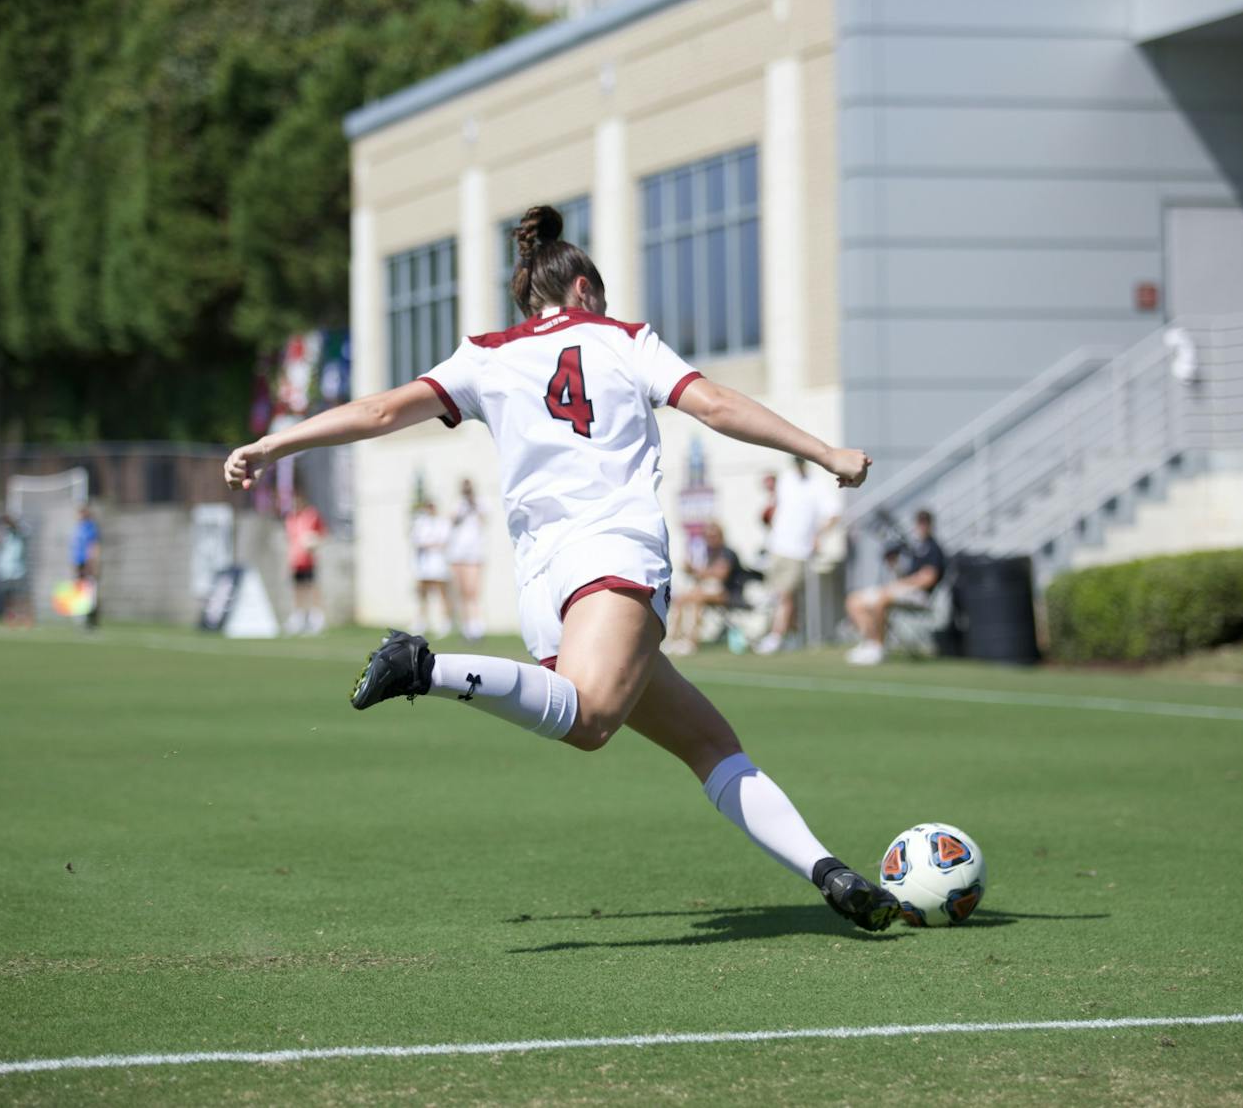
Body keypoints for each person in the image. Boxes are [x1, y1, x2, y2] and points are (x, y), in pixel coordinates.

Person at [222, 204, 899, 933]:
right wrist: (824, 451)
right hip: (612, 551)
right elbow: (715, 403)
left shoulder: (485, 355)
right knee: (592, 721)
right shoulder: (626, 339)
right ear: (582, 289)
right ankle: (423, 667)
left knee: (709, 743)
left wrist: (274, 444)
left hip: (543, 583)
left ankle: (829, 873)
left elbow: (383, 411)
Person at [753, 458, 840, 655]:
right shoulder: (786, 479)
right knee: (779, 596)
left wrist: (818, 536)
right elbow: (774, 505)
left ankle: (775, 637)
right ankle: (791, 635)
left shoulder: (817, 484)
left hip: (799, 550)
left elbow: (834, 514)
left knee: (785, 594)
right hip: (776, 547)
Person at [844, 509, 947, 666]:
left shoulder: (934, 548)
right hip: (901, 590)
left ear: (930, 524)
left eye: (925, 522)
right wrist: (894, 565)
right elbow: (904, 574)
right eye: (919, 522)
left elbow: (928, 578)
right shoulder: (915, 548)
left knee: (882, 599)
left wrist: (903, 585)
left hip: (920, 596)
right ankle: (869, 642)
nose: (922, 526)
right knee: (854, 601)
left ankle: (877, 648)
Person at [664, 523, 746, 656]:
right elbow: (704, 575)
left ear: (721, 536)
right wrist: (692, 570)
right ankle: (674, 639)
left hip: (729, 593)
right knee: (681, 599)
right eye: (707, 536)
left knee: (697, 599)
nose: (710, 539)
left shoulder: (727, 553)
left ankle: (691, 641)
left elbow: (720, 575)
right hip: (708, 591)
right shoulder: (706, 553)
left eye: (713, 536)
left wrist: (696, 571)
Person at [447, 478, 486, 641]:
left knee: (472, 591)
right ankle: (466, 625)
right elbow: (451, 520)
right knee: (462, 591)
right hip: (457, 552)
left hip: (474, 553)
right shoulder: (458, 503)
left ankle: (477, 625)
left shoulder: (480, 503)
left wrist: (473, 505)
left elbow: (483, 520)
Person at [284, 491, 327, 635]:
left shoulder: (311, 515)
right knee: (298, 589)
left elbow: (322, 532)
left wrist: (314, 542)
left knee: (312, 588)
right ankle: (299, 618)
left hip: (308, 559)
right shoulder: (290, 518)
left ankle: (316, 618)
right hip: (295, 560)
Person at [410, 501, 452, 635]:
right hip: (423, 564)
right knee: (422, 594)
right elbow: (417, 540)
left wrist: (429, 543)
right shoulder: (420, 523)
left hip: (438, 563)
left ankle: (445, 623)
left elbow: (443, 541)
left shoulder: (442, 523)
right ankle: (421, 622)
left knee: (442, 593)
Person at [0, 515, 31, 628]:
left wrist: (12, 524)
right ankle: (10, 618)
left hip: (18, 569)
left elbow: (24, 533)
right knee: (8, 596)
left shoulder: (22, 529)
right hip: (5, 570)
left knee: (21, 595)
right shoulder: (3, 531)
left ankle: (25, 618)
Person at [71, 505, 101, 629]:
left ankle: (91, 620)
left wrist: (92, 563)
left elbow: (93, 547)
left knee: (90, 591)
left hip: (87, 562)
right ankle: (81, 616)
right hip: (78, 562)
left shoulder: (90, 528)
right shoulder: (78, 528)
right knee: (80, 589)